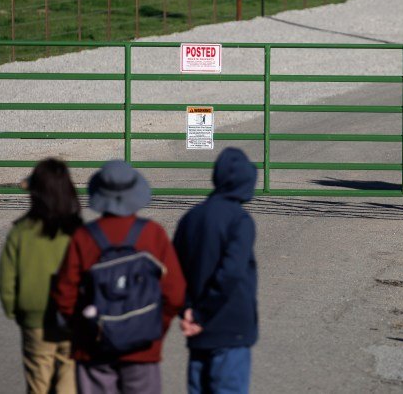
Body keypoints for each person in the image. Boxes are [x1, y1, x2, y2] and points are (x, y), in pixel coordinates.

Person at [52, 160, 185, 394]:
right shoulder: (152, 234)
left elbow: (65, 295)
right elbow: (174, 293)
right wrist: (151, 326)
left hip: (94, 346)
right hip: (143, 348)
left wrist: (85, 329)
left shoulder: (84, 237)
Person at [173, 148, 259, 394]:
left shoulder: (191, 217)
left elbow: (174, 269)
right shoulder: (239, 221)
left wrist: (187, 310)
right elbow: (231, 272)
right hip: (230, 328)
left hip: (197, 329)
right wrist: (202, 314)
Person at [0, 158, 83, 394]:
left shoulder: (21, 231)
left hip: (34, 317)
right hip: (72, 315)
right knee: (69, 379)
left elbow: (7, 279)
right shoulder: (77, 230)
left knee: (38, 381)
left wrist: (13, 309)